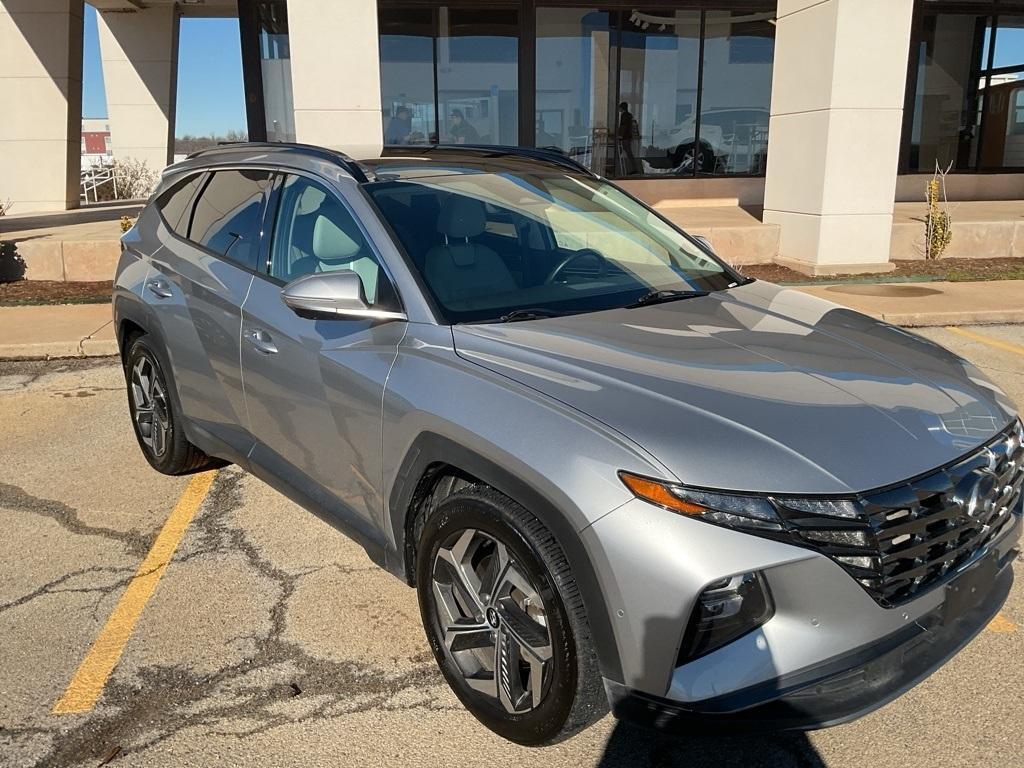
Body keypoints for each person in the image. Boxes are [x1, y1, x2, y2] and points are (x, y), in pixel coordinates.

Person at [617, 102, 639, 175]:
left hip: (625, 137)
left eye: (620, 107)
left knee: (623, 152)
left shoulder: (624, 115)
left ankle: (615, 168)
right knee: (627, 152)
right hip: (628, 137)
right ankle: (634, 168)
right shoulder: (629, 115)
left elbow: (623, 126)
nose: (619, 109)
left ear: (622, 108)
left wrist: (620, 136)